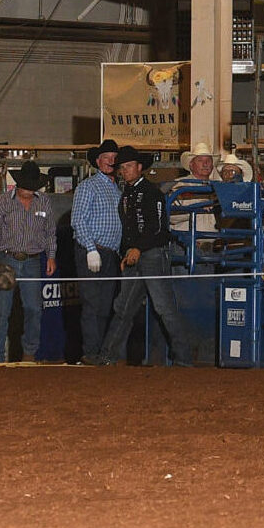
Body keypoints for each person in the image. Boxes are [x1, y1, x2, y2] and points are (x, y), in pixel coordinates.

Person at [95, 147, 201, 366]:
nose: (125, 171)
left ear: (139, 167)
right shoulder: (128, 194)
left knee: (162, 308)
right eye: (122, 168)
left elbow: (159, 228)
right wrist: (128, 251)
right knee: (125, 307)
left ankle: (184, 358)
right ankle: (108, 355)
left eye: (128, 166)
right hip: (137, 255)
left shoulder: (152, 193)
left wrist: (136, 249)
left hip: (152, 254)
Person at [0, 162, 57, 366]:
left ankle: (29, 353)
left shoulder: (44, 203)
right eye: (26, 186)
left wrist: (51, 256)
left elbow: (50, 232)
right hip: (6, 259)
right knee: (2, 309)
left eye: (32, 187)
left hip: (32, 260)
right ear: (18, 185)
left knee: (33, 308)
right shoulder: (3, 201)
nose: (28, 191)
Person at [70, 139, 123, 362]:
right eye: (106, 158)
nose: (111, 161)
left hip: (110, 253)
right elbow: (78, 220)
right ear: (98, 162)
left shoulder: (118, 189)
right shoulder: (88, 186)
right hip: (92, 251)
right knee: (93, 304)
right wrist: (90, 249)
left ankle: (101, 352)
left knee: (105, 305)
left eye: (114, 158)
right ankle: (91, 352)